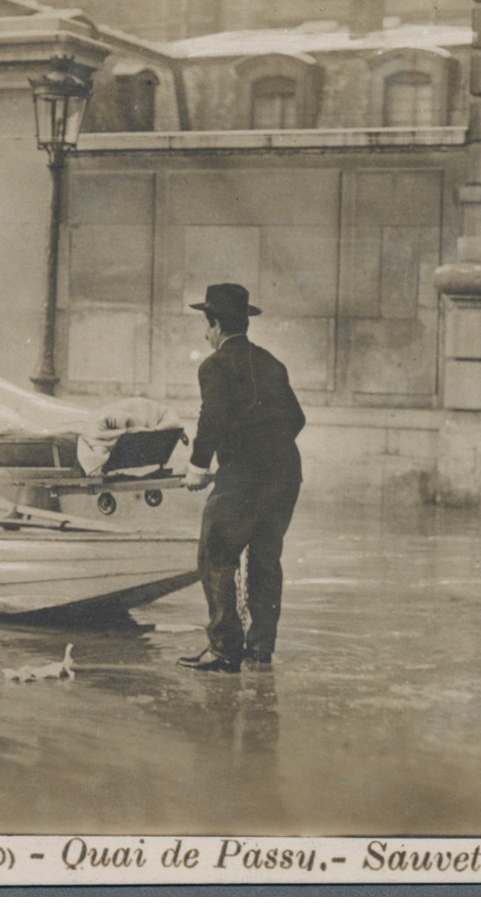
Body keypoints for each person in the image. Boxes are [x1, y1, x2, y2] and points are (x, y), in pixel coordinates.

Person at [177, 283, 305, 673]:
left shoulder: (213, 366)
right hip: (285, 474)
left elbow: (212, 420)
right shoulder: (272, 363)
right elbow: (297, 418)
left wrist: (198, 467)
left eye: (206, 324)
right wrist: (268, 444)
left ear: (215, 324)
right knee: (266, 559)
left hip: (244, 475)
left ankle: (224, 648)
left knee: (216, 555)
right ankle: (261, 649)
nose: (205, 334)